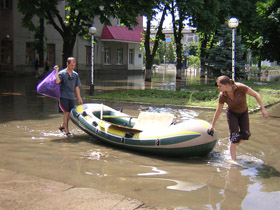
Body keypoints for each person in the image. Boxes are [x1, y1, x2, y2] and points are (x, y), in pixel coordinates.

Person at [209, 75, 268, 163]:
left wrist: (263, 109)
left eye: (220, 85)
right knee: (234, 137)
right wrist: (212, 125)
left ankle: (232, 144)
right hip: (232, 114)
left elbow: (256, 95)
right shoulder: (222, 96)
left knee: (246, 135)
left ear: (226, 85)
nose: (218, 88)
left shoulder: (240, 87)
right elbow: (218, 111)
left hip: (243, 113)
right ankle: (232, 160)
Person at [54, 57, 83, 137]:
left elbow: (76, 87)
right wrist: (56, 71)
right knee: (66, 113)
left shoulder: (75, 75)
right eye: (71, 65)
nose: (72, 67)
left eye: (74, 65)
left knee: (71, 114)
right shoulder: (62, 73)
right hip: (63, 96)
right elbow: (57, 81)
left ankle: (62, 126)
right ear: (67, 64)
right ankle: (67, 131)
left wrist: (79, 98)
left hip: (71, 97)